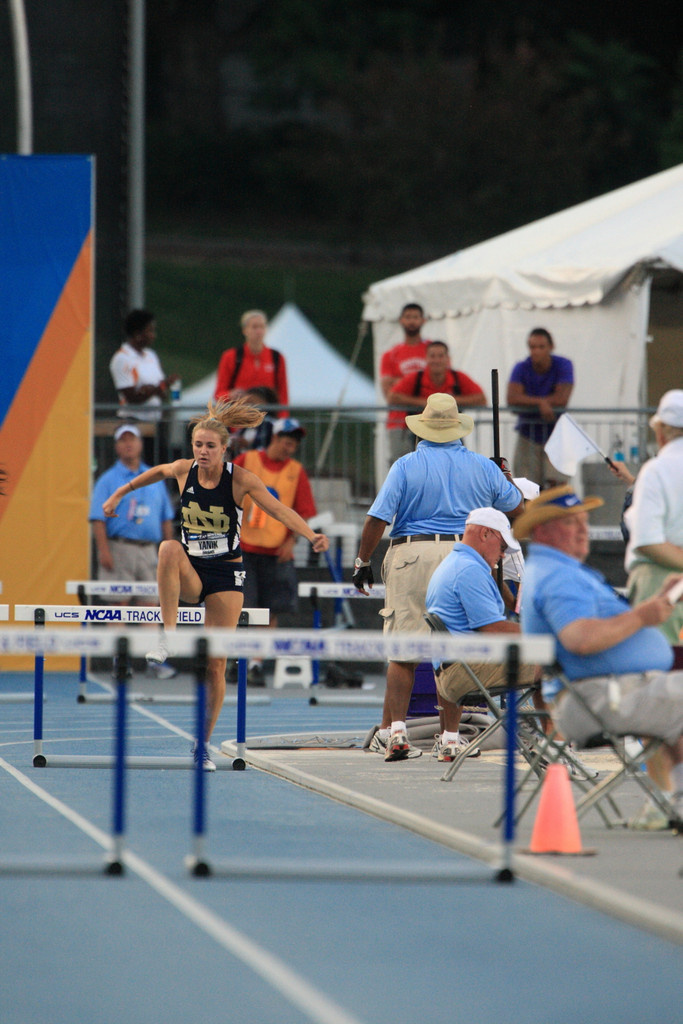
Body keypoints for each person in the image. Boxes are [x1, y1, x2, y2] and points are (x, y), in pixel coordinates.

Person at [102, 397, 329, 770]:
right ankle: (168, 636)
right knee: (168, 548)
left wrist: (310, 535)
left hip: (226, 574)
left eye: (210, 446)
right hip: (193, 569)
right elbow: (156, 472)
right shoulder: (184, 470)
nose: (203, 452)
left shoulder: (240, 479)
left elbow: (278, 509)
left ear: (225, 449)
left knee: (216, 664)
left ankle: (201, 746)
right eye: (198, 445)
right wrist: (118, 493)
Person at [352, 392, 524, 762]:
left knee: (404, 649)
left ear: (422, 428)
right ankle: (449, 737)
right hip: (464, 555)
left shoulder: (405, 465)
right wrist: (503, 475)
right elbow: (515, 505)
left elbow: (377, 517)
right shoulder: (482, 466)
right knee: (454, 650)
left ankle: (397, 732)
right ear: (458, 428)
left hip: (412, 553)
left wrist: (362, 560)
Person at [516, 484, 683, 830]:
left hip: (602, 693)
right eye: (570, 522)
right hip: (596, 698)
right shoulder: (558, 577)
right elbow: (580, 638)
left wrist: (658, 603)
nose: (582, 530)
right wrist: (643, 616)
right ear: (542, 531)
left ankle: (671, 801)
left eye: (584, 521)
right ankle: (673, 800)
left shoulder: (556, 570)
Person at [425, 508, 538, 760]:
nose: (503, 555)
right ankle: (554, 743)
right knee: (555, 662)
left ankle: (451, 738)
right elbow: (493, 629)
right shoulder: (469, 571)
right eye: (502, 547)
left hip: (450, 672)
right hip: (467, 672)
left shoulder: (454, 564)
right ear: (485, 534)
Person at [232, 417, 317, 685]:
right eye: (287, 441)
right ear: (275, 438)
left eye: (294, 444)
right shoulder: (247, 461)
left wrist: (292, 541)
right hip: (244, 549)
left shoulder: (296, 471)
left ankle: (256, 664)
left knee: (270, 612)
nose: (290, 447)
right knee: (241, 609)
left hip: (276, 552)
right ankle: (238, 660)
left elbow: (305, 511)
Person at [89, 423, 177, 678]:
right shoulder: (108, 479)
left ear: (140, 444)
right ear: (117, 446)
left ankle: (153, 661)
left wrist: (170, 552)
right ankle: (121, 661)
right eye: (123, 440)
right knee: (118, 605)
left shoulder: (154, 477)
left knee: (151, 605)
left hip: (150, 550)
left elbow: (166, 518)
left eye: (132, 439)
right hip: (120, 547)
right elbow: (97, 518)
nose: (128, 444)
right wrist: (103, 551)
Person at [625, 389, 683, 645]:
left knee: (660, 664)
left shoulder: (656, 470)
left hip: (660, 583)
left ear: (661, 431)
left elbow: (647, 541)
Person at [507, 327, 574, 488]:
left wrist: (531, 401)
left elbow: (562, 399)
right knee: (526, 487)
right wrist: (542, 403)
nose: (536, 351)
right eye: (532, 347)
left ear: (551, 347)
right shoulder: (521, 367)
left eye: (541, 347)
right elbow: (512, 399)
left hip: (557, 433)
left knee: (557, 486)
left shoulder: (563, 365)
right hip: (528, 434)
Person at [379, 303, 431, 466]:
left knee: (429, 465)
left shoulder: (433, 351)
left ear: (423, 320)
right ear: (401, 320)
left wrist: (400, 382)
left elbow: (439, 384)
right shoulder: (390, 355)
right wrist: (421, 395)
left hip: (429, 421)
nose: (412, 321)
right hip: (399, 422)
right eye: (408, 317)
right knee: (401, 467)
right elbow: (389, 394)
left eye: (415, 317)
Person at [109, 309, 178, 422]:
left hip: (154, 420)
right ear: (138, 334)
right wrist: (157, 388)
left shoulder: (151, 355)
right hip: (132, 420)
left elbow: (161, 392)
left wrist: (160, 387)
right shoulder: (122, 358)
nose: (153, 335)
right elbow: (131, 398)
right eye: (150, 331)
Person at [214, 310, 288, 412]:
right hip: (239, 416)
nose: (259, 331)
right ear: (245, 330)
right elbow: (219, 394)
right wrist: (231, 395)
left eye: (262, 327)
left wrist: (282, 419)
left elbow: (283, 396)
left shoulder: (277, 358)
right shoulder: (231, 357)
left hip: (268, 416)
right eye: (254, 327)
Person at [389, 341, 487, 414]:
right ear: (426, 358)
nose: (436, 360)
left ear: (448, 359)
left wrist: (450, 402)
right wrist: (425, 403)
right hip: (421, 430)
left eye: (440, 356)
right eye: (432, 356)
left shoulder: (458, 377)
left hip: (451, 430)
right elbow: (393, 397)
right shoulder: (416, 377)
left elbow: (481, 399)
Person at [227, 386, 278, 460]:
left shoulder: (270, 424)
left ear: (267, 404)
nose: (247, 407)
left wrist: (247, 444)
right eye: (245, 403)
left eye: (251, 403)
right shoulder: (246, 426)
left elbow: (264, 446)